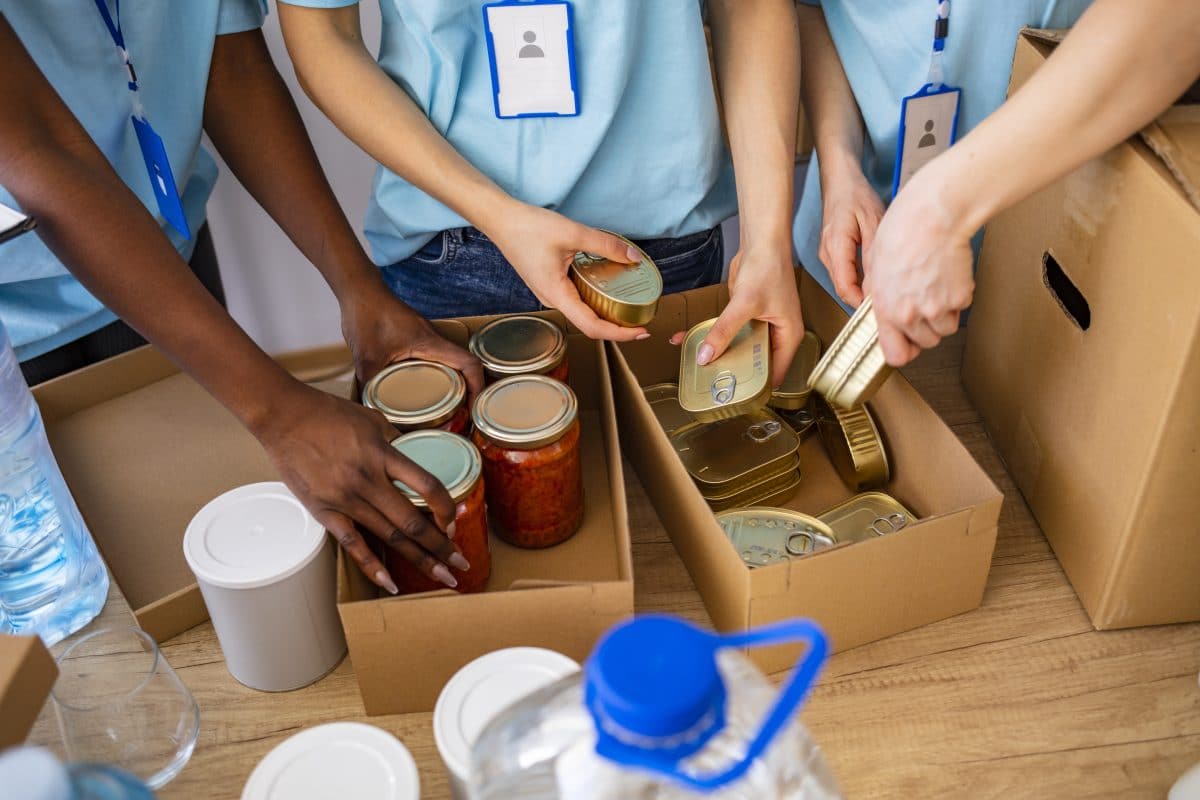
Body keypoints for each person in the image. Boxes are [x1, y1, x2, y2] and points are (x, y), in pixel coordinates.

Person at [0, 3, 484, 595]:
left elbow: (231, 68)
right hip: (16, 317)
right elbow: (39, 149)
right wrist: (279, 413)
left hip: (163, 260)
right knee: (59, 588)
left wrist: (357, 287)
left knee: (202, 556)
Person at [277, 0, 805, 385]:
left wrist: (768, 241)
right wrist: (497, 214)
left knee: (671, 512)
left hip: (660, 259)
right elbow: (321, 32)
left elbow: (751, 7)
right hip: (452, 248)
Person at [795, 0, 1200, 365]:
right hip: (844, 263)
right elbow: (811, 8)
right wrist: (840, 169)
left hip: (1053, 291)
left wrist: (943, 206)